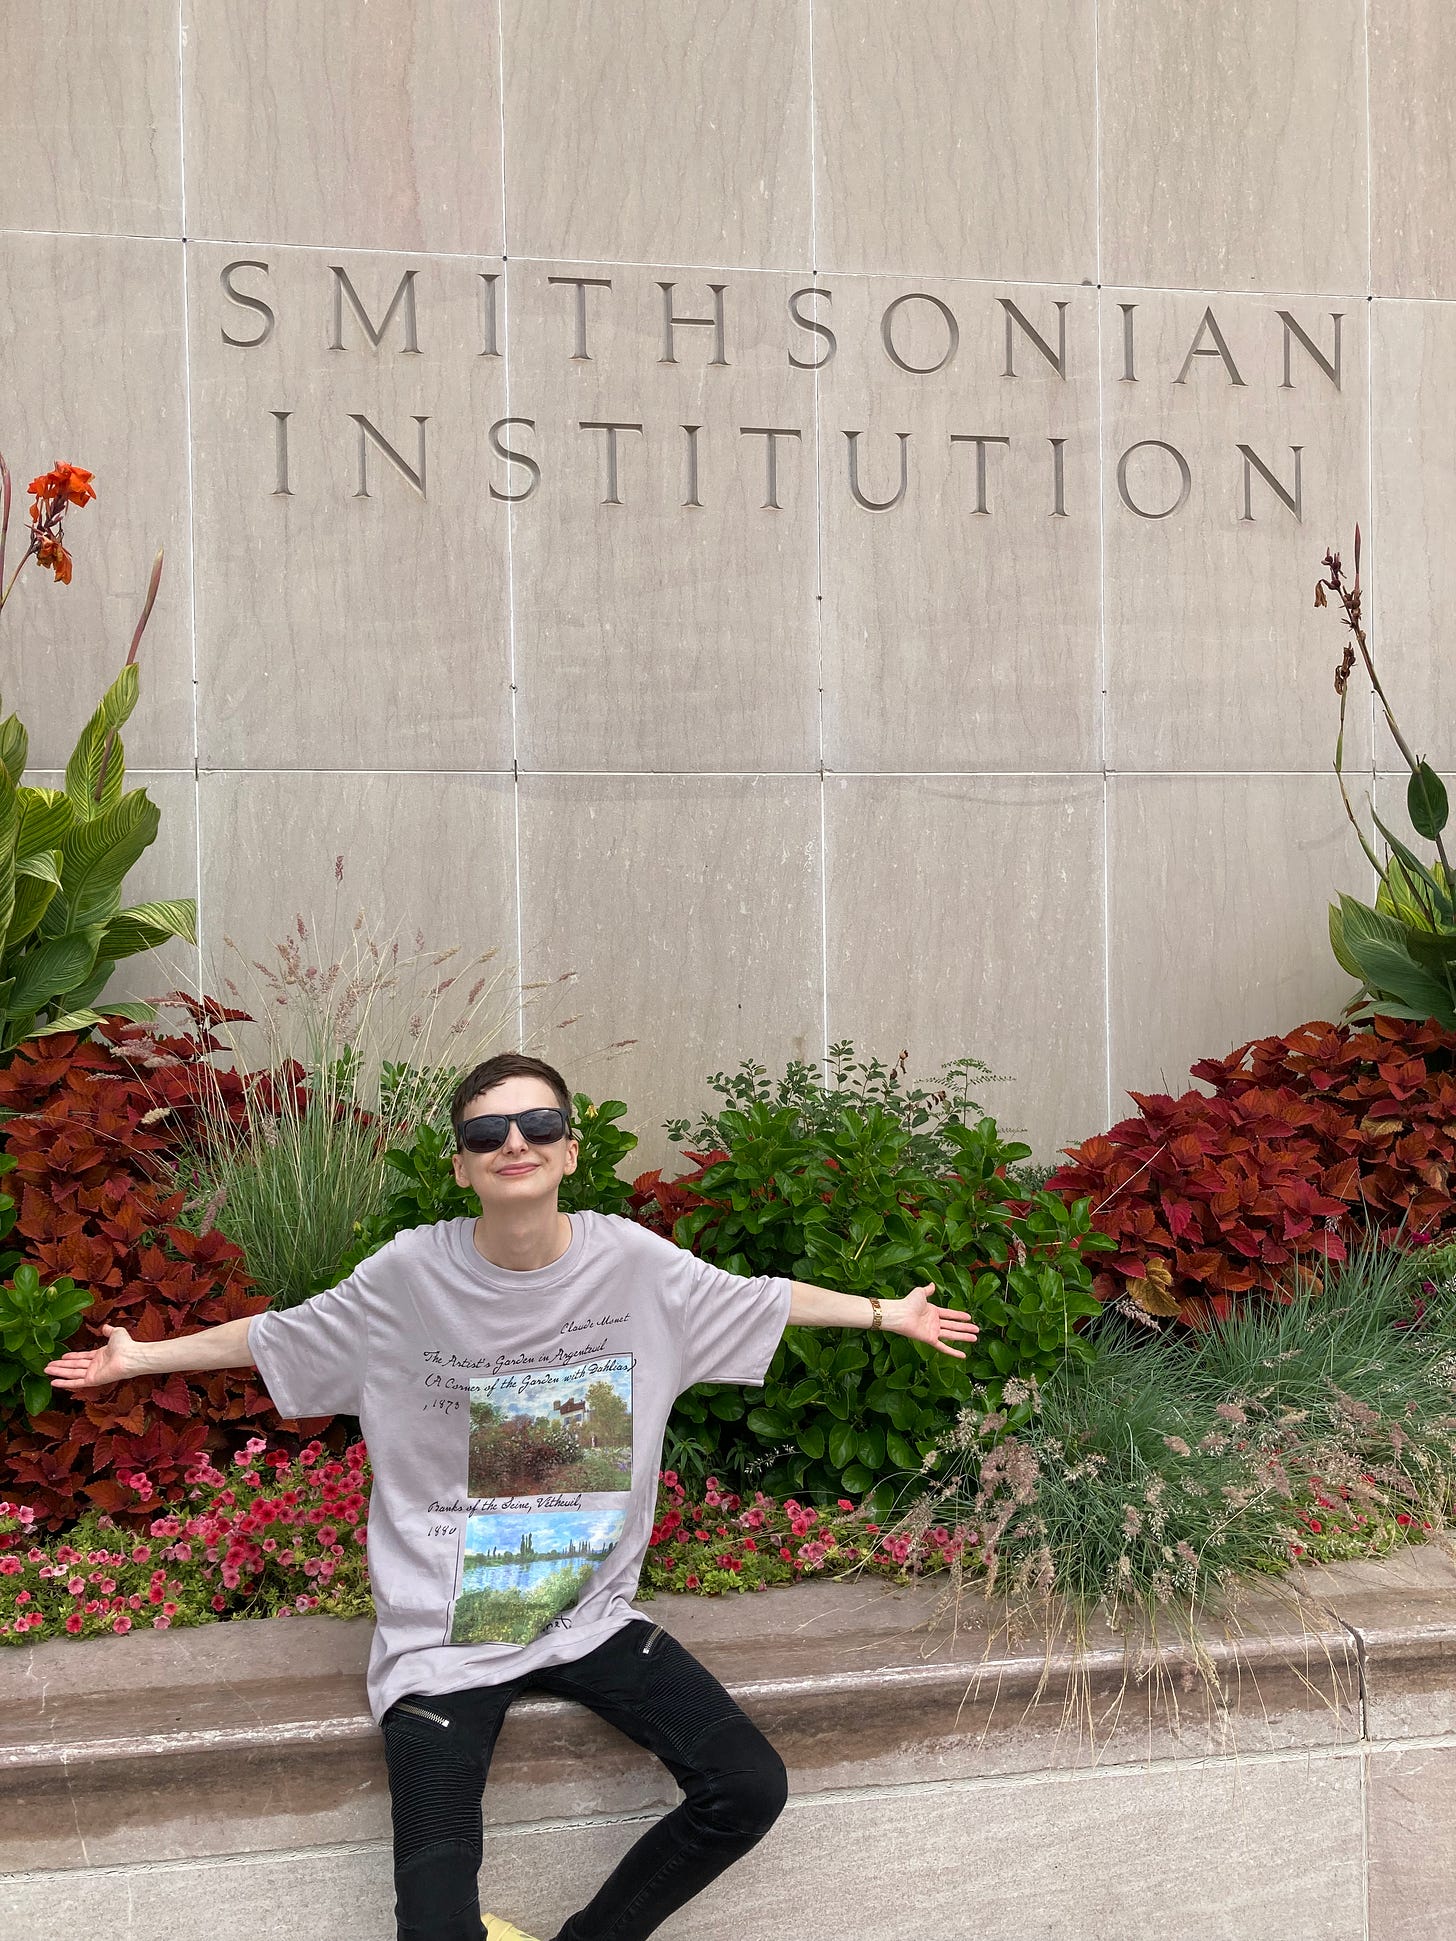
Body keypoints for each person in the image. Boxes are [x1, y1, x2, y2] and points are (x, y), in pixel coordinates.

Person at [47, 1051, 978, 1941]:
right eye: (487, 1130)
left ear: (571, 1148)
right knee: (435, 1922)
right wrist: (143, 1358)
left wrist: (886, 1312)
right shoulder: (410, 1273)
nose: (514, 1142)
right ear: (461, 1165)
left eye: (538, 1122)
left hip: (587, 1610)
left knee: (747, 1786)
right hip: (442, 1630)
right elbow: (282, 1334)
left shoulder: (632, 1263)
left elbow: (757, 1296)